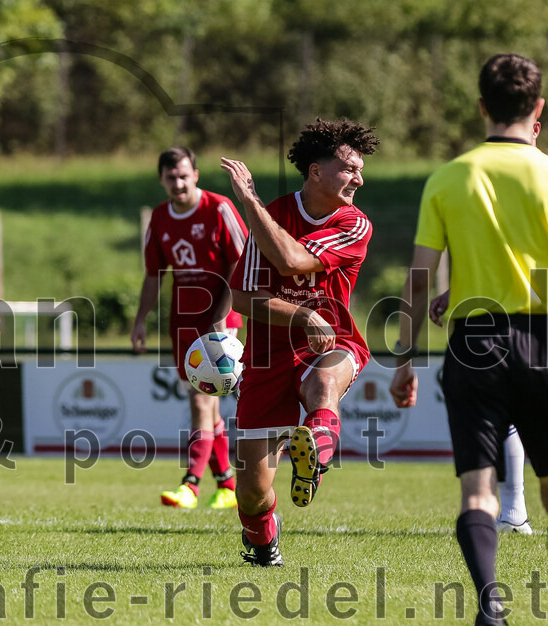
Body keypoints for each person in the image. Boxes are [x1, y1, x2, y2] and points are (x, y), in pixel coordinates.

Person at [389, 53, 548, 626]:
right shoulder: (547, 175)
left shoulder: (450, 178)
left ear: (481, 106)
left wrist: (405, 358)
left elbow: (418, 280)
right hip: (543, 338)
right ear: (537, 109)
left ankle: (490, 610)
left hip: (475, 343)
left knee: (476, 488)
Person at [221, 119, 379, 567]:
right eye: (349, 168)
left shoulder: (355, 225)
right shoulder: (269, 216)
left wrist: (248, 201)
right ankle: (264, 540)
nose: (358, 179)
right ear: (315, 171)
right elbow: (242, 297)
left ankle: (316, 448)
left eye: (360, 170)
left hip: (334, 341)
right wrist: (300, 313)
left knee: (323, 385)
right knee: (251, 492)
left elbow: (292, 261)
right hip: (269, 355)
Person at [132, 147, 248, 510]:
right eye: (171, 178)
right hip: (182, 324)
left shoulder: (220, 209)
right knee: (206, 407)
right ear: (162, 180)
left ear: (196, 174)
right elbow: (154, 275)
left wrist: (220, 315)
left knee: (202, 400)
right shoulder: (161, 218)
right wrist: (140, 321)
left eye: (184, 175)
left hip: (221, 322)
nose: (178, 183)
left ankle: (190, 486)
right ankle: (228, 485)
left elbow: (241, 264)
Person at [430, 290, 533, 536]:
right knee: (506, 416)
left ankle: (510, 511)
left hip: (507, 318)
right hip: (523, 317)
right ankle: (513, 511)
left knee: (499, 415)